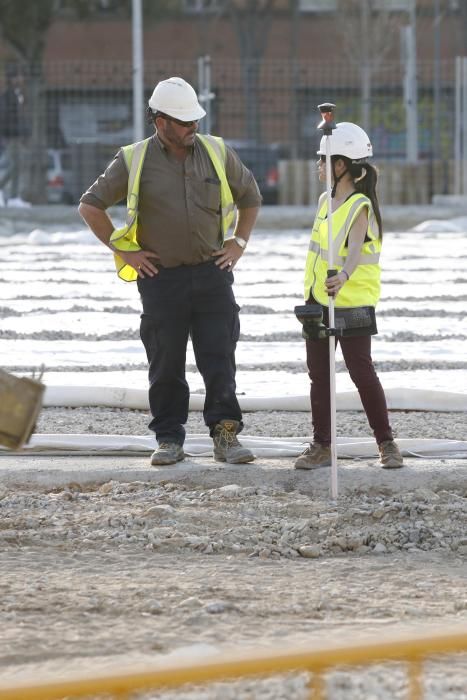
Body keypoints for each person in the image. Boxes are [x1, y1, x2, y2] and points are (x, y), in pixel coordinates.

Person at [78, 77, 261, 466]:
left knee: (219, 358)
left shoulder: (216, 151)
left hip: (212, 273)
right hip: (161, 280)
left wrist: (238, 243)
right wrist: (124, 251)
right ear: (160, 122)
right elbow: (90, 206)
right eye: (183, 121)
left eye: (194, 119)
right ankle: (168, 439)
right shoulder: (133, 159)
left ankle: (226, 436)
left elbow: (251, 197)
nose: (192, 126)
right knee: (165, 363)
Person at [294, 121, 403, 471]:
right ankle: (321, 445)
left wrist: (343, 275)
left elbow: (354, 248)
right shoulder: (326, 200)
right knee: (319, 376)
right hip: (317, 301)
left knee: (361, 372)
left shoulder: (360, 205)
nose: (318, 166)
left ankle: (386, 443)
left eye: (323, 160)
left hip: (351, 303)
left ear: (341, 165)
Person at [0, 64, 28, 206]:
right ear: (12, 79)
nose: (21, 79)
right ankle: (11, 195)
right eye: (18, 76)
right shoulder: (7, 96)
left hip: (16, 136)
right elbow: (5, 118)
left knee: (18, 166)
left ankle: (14, 197)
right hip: (10, 137)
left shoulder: (19, 95)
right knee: (16, 165)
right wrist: (12, 133)